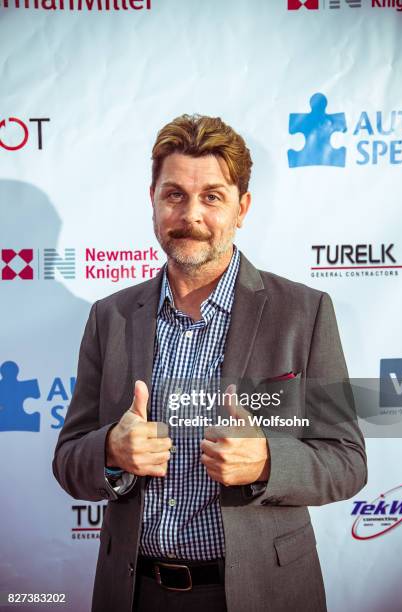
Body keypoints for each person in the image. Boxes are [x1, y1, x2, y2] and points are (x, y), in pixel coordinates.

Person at [52, 114, 367, 612]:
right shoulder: (109, 317)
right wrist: (111, 450)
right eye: (174, 194)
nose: (191, 214)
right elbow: (68, 459)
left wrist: (266, 462)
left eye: (212, 197)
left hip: (262, 593)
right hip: (134, 593)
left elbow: (347, 461)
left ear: (242, 208)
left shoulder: (303, 313)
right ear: (152, 201)